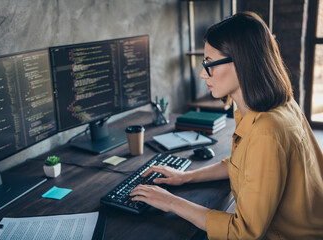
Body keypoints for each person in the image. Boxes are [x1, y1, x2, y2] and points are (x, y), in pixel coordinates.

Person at [130, 11, 323, 239]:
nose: (203, 73)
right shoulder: (268, 102)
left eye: (209, 63)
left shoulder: (267, 130)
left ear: (242, 63)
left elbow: (243, 233)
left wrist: (170, 201)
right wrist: (185, 176)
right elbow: (242, 163)